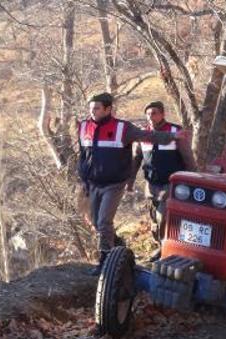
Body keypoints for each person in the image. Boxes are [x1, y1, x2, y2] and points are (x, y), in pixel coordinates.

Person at [79, 93, 189, 276]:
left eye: (97, 108)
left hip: (114, 184)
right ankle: (119, 248)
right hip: (92, 183)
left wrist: (172, 136)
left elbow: (148, 135)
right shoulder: (84, 126)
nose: (93, 112)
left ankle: (105, 260)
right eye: (91, 108)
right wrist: (82, 177)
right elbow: (83, 155)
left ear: (108, 109)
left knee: (104, 221)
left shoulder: (123, 128)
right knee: (97, 224)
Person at [130, 101, 197, 262]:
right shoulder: (142, 134)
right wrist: (130, 181)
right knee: (154, 219)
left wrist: (193, 179)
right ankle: (160, 246)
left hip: (171, 185)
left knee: (163, 218)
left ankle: (165, 250)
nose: (150, 117)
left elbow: (188, 158)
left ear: (162, 114)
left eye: (154, 113)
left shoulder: (175, 131)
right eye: (148, 113)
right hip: (151, 184)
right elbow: (136, 159)